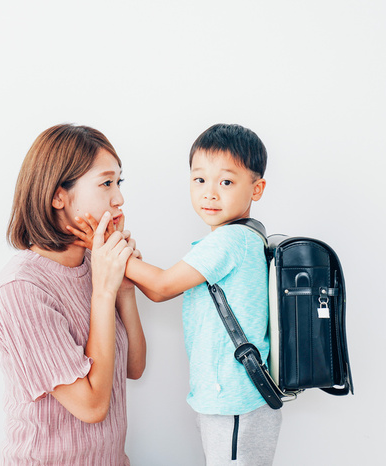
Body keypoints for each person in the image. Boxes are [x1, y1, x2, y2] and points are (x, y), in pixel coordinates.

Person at [70, 123, 281, 465]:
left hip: (236, 400)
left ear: (257, 189)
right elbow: (157, 288)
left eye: (226, 182)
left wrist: (105, 245)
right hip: (228, 399)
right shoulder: (229, 240)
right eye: (200, 179)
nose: (210, 193)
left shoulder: (230, 241)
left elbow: (162, 286)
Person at [0, 124, 146, 465]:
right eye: (106, 183)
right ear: (57, 195)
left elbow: (133, 367)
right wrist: (103, 292)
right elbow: (91, 406)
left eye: (119, 183)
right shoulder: (21, 290)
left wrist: (123, 288)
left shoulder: (95, 264)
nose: (119, 198)